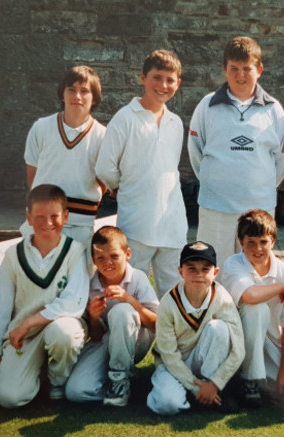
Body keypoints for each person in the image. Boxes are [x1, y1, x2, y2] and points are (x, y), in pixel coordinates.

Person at [188, 36, 284, 269]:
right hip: (216, 209)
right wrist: (214, 181)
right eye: (234, 69)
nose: (240, 75)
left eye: (247, 69)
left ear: (260, 70)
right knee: (213, 272)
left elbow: (282, 159)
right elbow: (196, 153)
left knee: (255, 274)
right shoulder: (207, 106)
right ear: (224, 69)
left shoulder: (273, 110)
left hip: (258, 210)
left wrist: (260, 186)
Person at [95, 50, 187, 298]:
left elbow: (167, 171)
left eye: (170, 80)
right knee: (131, 296)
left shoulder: (175, 123)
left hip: (172, 227)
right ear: (143, 78)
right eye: (157, 77)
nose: (163, 85)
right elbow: (104, 167)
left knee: (175, 298)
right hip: (136, 227)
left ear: (178, 84)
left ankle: (172, 339)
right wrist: (121, 189)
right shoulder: (125, 118)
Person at [0, 184, 88, 408]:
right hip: (25, 336)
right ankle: (37, 371)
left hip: (61, 326)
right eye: (40, 217)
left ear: (66, 216)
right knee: (8, 398)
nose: (48, 223)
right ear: (29, 218)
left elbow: (74, 302)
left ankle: (57, 380)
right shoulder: (13, 255)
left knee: (64, 334)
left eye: (54, 216)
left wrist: (31, 321)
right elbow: (1, 308)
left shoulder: (75, 251)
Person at [220, 209, 284, 407]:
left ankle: (244, 381)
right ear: (241, 242)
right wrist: (281, 287)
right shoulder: (233, 264)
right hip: (236, 337)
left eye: (263, 242)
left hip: (269, 340)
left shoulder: (283, 270)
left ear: (273, 241)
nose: (258, 249)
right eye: (251, 242)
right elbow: (250, 296)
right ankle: (251, 380)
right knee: (257, 309)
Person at [146, 242, 245, 415]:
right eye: (191, 268)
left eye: (205, 269)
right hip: (173, 365)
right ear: (180, 271)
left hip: (204, 363)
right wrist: (194, 387)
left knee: (219, 329)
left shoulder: (223, 298)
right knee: (167, 404)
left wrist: (216, 382)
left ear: (215, 273)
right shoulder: (168, 303)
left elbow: (239, 350)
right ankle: (199, 395)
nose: (198, 275)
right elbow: (169, 355)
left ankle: (214, 391)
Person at [66, 226, 159, 407]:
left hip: (137, 342)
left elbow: (156, 323)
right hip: (107, 344)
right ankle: (120, 383)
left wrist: (130, 300)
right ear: (93, 260)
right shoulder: (91, 286)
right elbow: (97, 337)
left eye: (114, 256)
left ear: (127, 254)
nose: (108, 262)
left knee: (122, 310)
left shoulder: (138, 277)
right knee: (76, 392)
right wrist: (93, 317)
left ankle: (119, 378)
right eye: (100, 258)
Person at [21, 65, 106, 246]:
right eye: (71, 90)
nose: (77, 96)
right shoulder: (41, 128)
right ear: (62, 94)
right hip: (43, 221)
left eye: (84, 91)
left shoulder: (102, 136)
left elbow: (104, 181)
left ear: (94, 98)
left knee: (77, 274)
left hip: (81, 225)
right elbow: (32, 176)